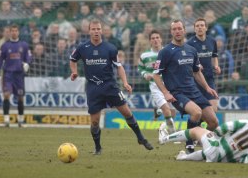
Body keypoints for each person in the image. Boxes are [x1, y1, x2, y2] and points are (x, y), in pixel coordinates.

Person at [69, 20, 153, 155]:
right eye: (93, 29)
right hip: (93, 88)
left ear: (101, 31)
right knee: (95, 121)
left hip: (110, 86)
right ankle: (98, 148)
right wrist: (74, 72)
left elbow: (118, 66)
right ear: (89, 31)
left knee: (127, 113)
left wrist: (125, 83)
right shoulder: (82, 48)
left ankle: (140, 138)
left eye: (98, 29)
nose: (96, 31)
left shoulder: (110, 48)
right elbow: (72, 60)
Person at [153, 19, 220, 154]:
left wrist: (207, 88)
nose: (177, 31)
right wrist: (166, 93)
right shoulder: (165, 51)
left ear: (184, 30)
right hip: (178, 93)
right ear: (171, 32)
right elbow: (155, 75)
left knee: (214, 122)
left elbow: (196, 72)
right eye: (174, 29)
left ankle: (201, 141)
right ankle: (189, 145)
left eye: (179, 29)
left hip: (194, 91)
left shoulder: (191, 50)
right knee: (196, 113)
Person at [159, 116, 248, 164]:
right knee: (208, 153)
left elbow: (223, 128)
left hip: (215, 148)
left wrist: (216, 135)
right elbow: (247, 161)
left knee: (196, 130)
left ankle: (164, 139)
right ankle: (183, 157)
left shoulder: (247, 124)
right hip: (223, 160)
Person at [138, 30, 176, 133]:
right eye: (153, 38)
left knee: (173, 112)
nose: (155, 40)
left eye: (157, 38)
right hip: (155, 86)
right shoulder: (145, 56)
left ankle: (159, 111)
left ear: (161, 39)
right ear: (150, 41)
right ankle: (174, 135)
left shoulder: (168, 52)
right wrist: (145, 74)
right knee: (167, 110)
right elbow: (140, 68)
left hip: (169, 85)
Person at [0, 25, 31, 127]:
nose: (14, 33)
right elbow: (0, 59)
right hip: (8, 74)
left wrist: (27, 63)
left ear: (18, 32)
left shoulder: (24, 45)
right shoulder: (5, 45)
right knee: (6, 95)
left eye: (16, 31)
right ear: (9, 33)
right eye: (12, 31)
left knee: (20, 98)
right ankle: (6, 121)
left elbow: (28, 57)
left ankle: (20, 121)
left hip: (19, 75)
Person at [186, 18, 221, 112]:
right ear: (194, 29)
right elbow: (187, 61)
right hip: (195, 81)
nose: (199, 28)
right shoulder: (189, 44)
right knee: (198, 110)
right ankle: (196, 125)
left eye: (202, 25)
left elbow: (214, 56)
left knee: (214, 108)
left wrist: (216, 66)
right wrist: (196, 65)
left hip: (209, 79)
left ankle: (204, 125)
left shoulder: (212, 41)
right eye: (197, 26)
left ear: (206, 28)